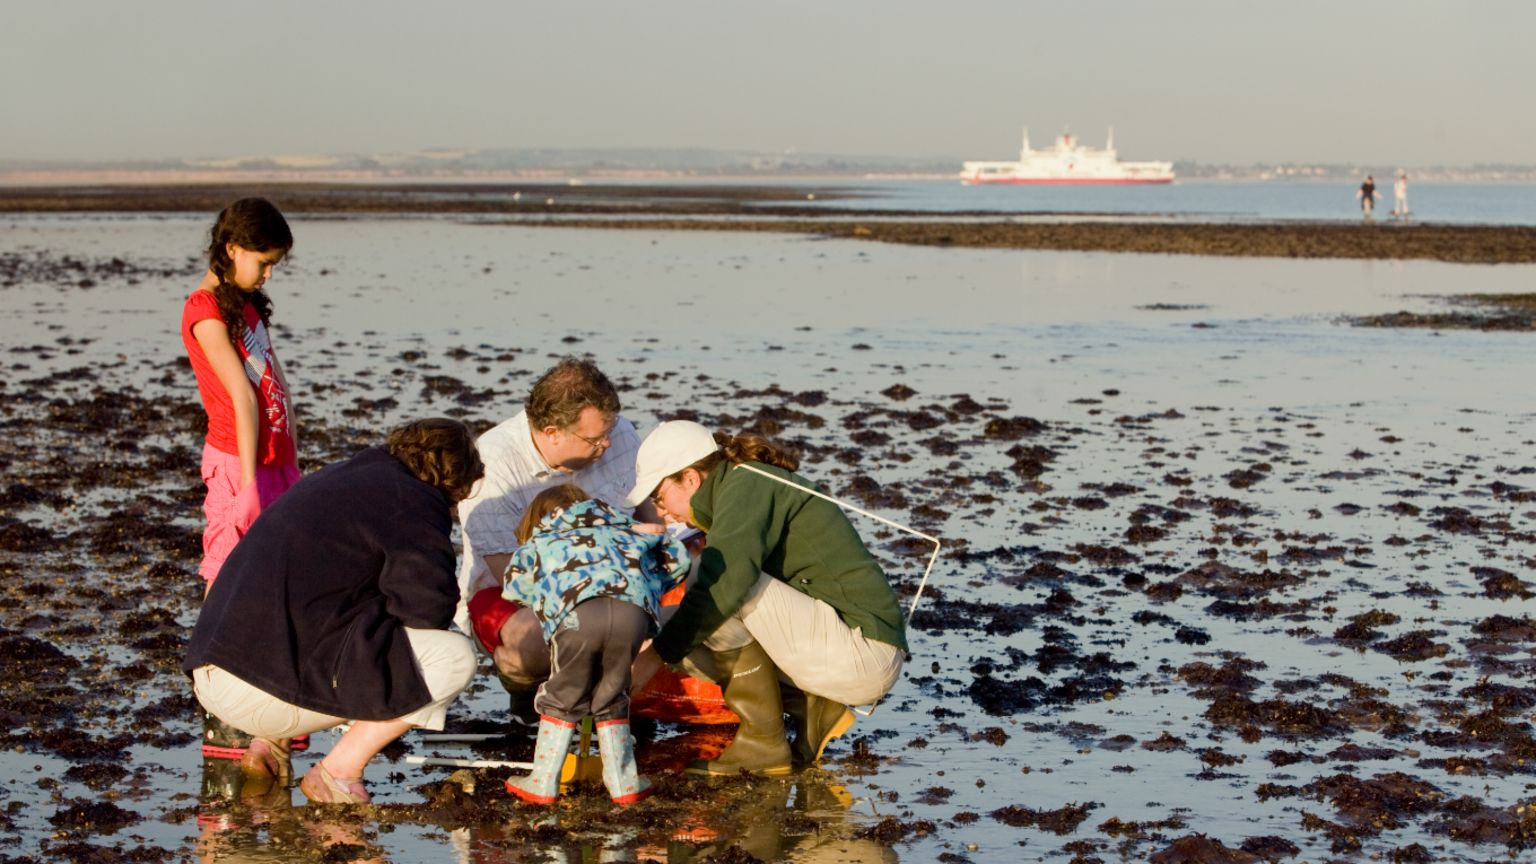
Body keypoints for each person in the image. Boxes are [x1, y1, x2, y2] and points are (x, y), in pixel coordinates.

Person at [185, 418, 483, 805]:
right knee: (453, 658)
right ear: (450, 481)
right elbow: (429, 611)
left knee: (324, 608)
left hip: (211, 672)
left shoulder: (339, 478)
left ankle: (269, 747)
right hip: (256, 693)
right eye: (456, 501)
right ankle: (338, 772)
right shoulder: (415, 499)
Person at [626, 421, 908, 776]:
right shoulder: (737, 487)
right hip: (843, 644)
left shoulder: (747, 486)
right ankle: (812, 707)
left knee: (718, 585)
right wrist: (654, 642)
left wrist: (655, 657)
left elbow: (727, 584)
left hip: (864, 653)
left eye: (658, 495)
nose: (660, 509)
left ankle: (763, 742)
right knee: (675, 619)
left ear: (691, 478)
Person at [456, 357, 643, 724]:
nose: (607, 444)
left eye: (611, 430)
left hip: (616, 579)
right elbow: (509, 574)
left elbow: (649, 517)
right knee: (533, 644)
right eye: (594, 439)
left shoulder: (620, 436)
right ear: (552, 431)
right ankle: (527, 701)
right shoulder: (493, 462)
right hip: (514, 591)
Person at [499, 484, 690, 805]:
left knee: (563, 694)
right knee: (613, 692)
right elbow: (679, 559)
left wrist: (548, 597)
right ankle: (624, 782)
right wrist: (649, 585)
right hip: (633, 613)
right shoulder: (630, 532)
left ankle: (543, 780)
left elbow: (514, 585)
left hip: (577, 617)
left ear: (540, 517)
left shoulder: (545, 539)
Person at [181, 197, 300, 590]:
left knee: (273, 566)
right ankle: (207, 653)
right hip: (236, 460)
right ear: (232, 249)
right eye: (263, 263)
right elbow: (242, 396)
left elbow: (278, 388)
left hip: (273, 456)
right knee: (227, 567)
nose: (268, 274)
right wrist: (248, 483)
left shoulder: (247, 306)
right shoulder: (205, 310)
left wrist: (291, 461)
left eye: (273, 265)